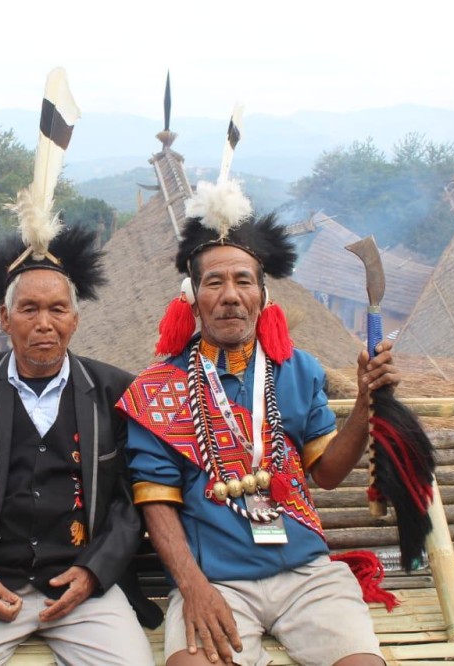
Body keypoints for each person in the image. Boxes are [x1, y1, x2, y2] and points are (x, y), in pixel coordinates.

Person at [0, 67, 158, 664]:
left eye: (57, 309)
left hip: (85, 592)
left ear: (76, 321)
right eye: (28, 309)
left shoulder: (112, 390)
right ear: (5, 318)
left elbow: (131, 502)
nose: (44, 322)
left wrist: (94, 573)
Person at [118, 177, 398, 666]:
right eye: (215, 282)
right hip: (215, 580)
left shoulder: (298, 369)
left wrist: (365, 402)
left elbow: (327, 474)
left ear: (262, 294)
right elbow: (157, 504)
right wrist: (194, 588)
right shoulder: (157, 390)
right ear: (193, 297)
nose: (230, 295)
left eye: (243, 280)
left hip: (308, 573)